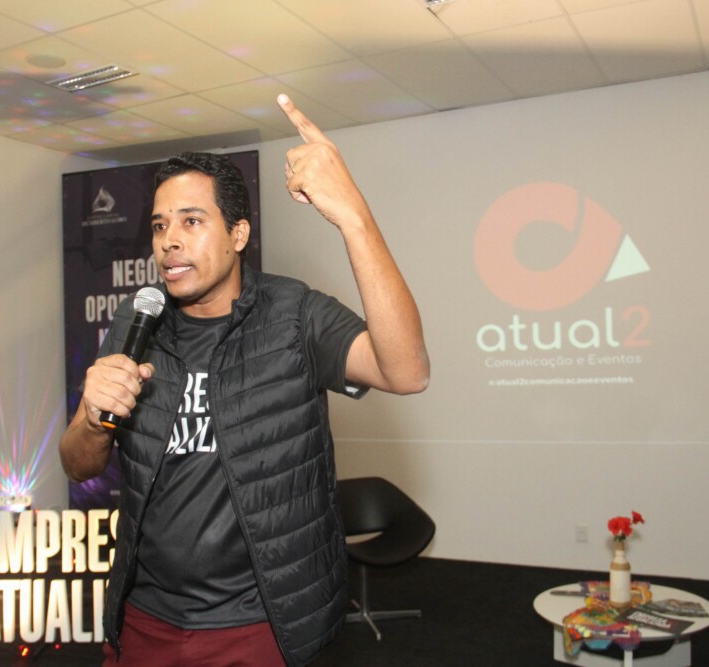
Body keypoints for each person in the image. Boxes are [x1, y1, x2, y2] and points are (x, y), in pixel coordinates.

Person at [59, 93, 430, 667]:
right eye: (159, 225)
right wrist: (91, 418)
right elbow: (79, 464)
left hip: (259, 626)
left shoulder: (294, 314)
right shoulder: (137, 321)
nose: (169, 240)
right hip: (145, 619)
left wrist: (353, 216)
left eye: (191, 221)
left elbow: (407, 372)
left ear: (238, 234)